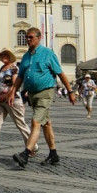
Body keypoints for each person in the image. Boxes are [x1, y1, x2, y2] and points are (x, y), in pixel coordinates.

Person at [9, 27, 74, 168]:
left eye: (30, 37)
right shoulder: (26, 56)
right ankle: (53, 154)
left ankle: (26, 154)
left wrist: (70, 91)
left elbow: (60, 73)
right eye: (26, 37)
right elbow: (20, 77)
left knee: (35, 122)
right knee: (46, 123)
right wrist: (13, 91)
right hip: (32, 94)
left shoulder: (47, 54)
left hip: (45, 92)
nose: (27, 39)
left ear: (39, 38)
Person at [0, 48, 35, 159]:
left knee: (20, 124)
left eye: (6, 55)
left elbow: (15, 84)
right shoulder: (2, 68)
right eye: (2, 55)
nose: (4, 56)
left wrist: (8, 94)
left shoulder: (14, 68)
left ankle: (32, 146)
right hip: (0, 100)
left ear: (10, 57)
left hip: (11, 99)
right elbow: (0, 82)